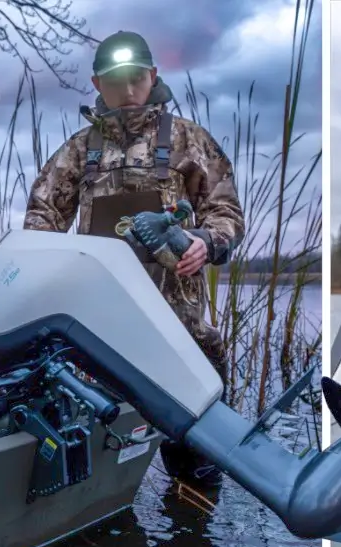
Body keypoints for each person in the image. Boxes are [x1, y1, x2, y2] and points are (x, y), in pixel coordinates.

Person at [23, 30, 244, 483]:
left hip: (177, 332)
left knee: (195, 466)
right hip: (99, 334)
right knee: (100, 456)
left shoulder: (189, 140)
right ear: (96, 84)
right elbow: (41, 219)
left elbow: (226, 213)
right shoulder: (79, 150)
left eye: (136, 79)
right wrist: (52, 269)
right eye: (115, 80)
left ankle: (193, 526)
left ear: (153, 77)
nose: (127, 91)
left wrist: (205, 241)